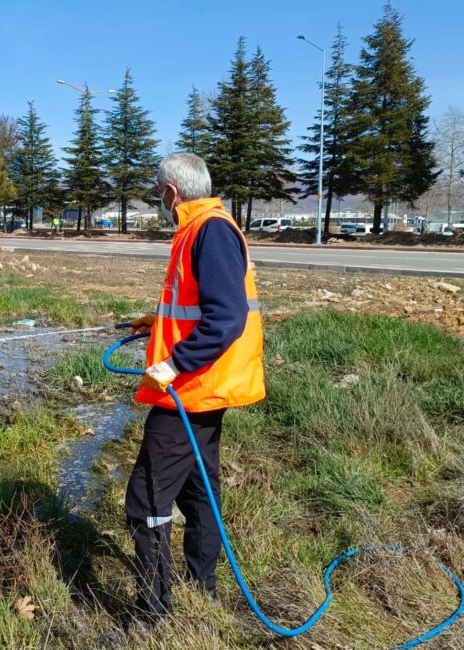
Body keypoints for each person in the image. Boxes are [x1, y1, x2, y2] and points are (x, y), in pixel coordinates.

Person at [125, 152, 266, 622]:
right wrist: (157, 323)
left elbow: (227, 317)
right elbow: (198, 309)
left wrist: (172, 364)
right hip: (204, 387)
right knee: (197, 490)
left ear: (171, 192)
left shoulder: (210, 231)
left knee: (146, 498)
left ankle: (153, 614)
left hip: (193, 387)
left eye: (159, 195)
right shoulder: (201, 227)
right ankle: (201, 588)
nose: (160, 202)